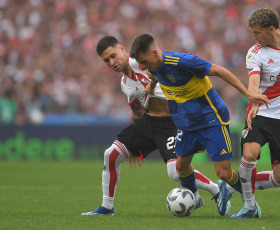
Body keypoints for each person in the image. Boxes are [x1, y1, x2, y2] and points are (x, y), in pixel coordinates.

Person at [129, 34, 270, 216]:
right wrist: (151, 86)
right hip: (187, 123)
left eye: (144, 61)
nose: (143, 66)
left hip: (211, 119)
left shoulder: (183, 62)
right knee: (181, 167)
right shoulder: (153, 66)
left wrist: (248, 93)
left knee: (224, 174)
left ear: (155, 53)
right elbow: (154, 74)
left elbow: (220, 71)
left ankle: (247, 202)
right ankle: (194, 198)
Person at [81, 36, 221, 216]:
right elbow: (137, 111)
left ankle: (214, 188)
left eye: (113, 55)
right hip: (148, 123)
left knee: (175, 173)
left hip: (172, 123)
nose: (112, 62)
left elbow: (162, 64)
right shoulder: (125, 84)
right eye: (107, 60)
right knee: (111, 154)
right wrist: (134, 145)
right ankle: (107, 207)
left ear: (122, 49)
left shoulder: (141, 63)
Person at [220, 8, 280, 219]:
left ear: (271, 29)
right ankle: (250, 206)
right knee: (249, 154)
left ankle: (231, 188)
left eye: (257, 32)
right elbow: (253, 83)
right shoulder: (256, 52)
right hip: (260, 114)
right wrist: (254, 100)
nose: (254, 38)